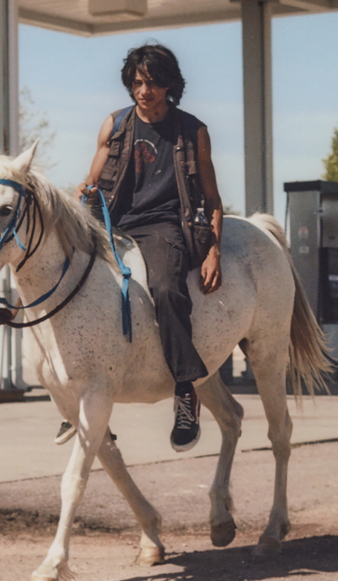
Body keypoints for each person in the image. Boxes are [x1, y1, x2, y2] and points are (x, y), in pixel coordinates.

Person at [70, 43, 224, 452]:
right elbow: (93, 181)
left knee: (165, 291)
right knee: (60, 270)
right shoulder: (114, 125)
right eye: (137, 83)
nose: (144, 90)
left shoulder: (192, 131)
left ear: (169, 84)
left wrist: (213, 251)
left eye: (153, 83)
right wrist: (83, 191)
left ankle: (186, 392)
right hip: (112, 222)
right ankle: (73, 401)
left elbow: (212, 200)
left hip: (162, 227)